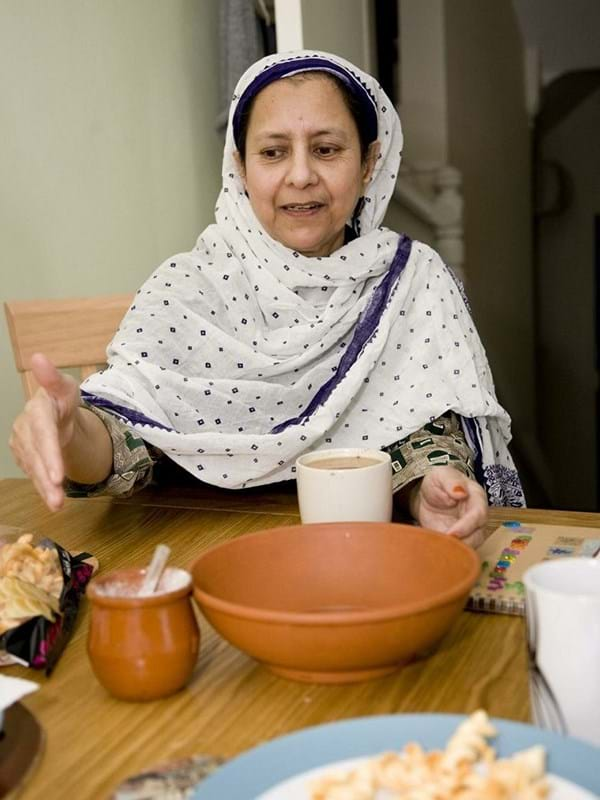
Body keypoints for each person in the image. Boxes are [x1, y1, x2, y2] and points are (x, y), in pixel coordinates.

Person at [9, 50, 525, 548]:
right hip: (199, 562)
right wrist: (70, 430)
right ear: (241, 166)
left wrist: (429, 491)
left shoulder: (411, 279)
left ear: (369, 161)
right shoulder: (186, 289)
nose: (300, 175)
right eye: (273, 152)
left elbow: (426, 432)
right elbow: (124, 441)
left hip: (358, 560)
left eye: (326, 149)